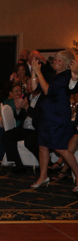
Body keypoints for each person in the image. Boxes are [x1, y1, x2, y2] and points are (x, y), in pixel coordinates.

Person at [31, 51, 78, 192]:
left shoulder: (66, 76)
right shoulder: (53, 75)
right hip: (46, 115)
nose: (56, 62)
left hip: (57, 117)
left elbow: (48, 91)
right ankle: (43, 176)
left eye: (60, 60)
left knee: (61, 149)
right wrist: (34, 71)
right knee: (43, 146)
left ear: (67, 64)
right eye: (55, 59)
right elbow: (34, 88)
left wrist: (38, 72)